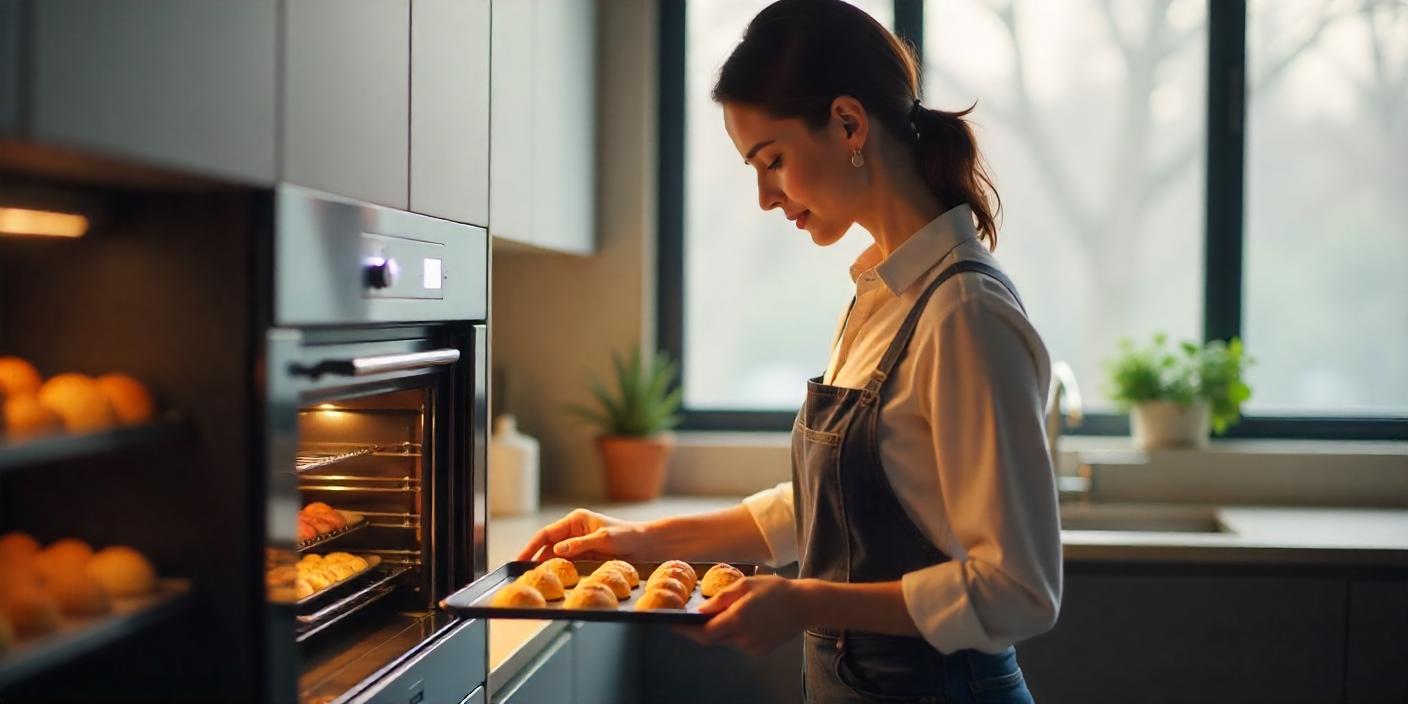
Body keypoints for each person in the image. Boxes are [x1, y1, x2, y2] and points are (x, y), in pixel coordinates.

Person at [518, 1, 1061, 701]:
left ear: (848, 124)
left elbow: (1019, 592)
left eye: (772, 160)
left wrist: (806, 604)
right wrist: (643, 541)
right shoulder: (882, 292)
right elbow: (826, 507)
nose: (764, 197)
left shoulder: (965, 313)